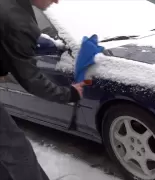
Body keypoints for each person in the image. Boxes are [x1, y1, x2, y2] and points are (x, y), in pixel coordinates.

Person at [0, 0, 90, 179]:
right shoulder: (17, 20)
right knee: (15, 148)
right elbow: (32, 80)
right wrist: (70, 93)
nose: (56, 0)